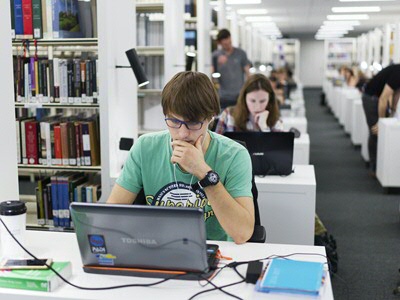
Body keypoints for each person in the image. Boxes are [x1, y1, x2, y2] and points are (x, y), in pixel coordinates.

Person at [107, 71, 255, 244]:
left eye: (193, 123)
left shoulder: (234, 155)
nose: (183, 133)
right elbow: (112, 215)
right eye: (174, 121)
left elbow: (242, 233)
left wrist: (204, 172)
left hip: (214, 250)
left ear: (210, 118)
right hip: (157, 249)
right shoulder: (145, 148)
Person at [361, 64, 400, 175]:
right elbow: (383, 98)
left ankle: (379, 166)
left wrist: (392, 112)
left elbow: (396, 94)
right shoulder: (398, 72)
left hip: (376, 98)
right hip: (371, 98)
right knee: (376, 132)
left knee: (380, 132)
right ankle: (374, 168)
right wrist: (381, 122)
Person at [214, 73, 281, 134]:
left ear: (270, 99)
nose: (257, 107)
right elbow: (216, 145)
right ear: (244, 98)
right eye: (252, 101)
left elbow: (278, 147)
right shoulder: (228, 115)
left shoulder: (276, 121)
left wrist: (264, 128)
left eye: (262, 101)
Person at [211, 29, 251, 110]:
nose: (227, 45)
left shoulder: (241, 53)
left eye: (229, 42)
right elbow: (213, 78)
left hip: (239, 95)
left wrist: (249, 90)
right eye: (224, 44)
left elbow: (248, 73)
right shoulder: (216, 56)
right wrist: (217, 64)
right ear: (220, 43)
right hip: (223, 96)